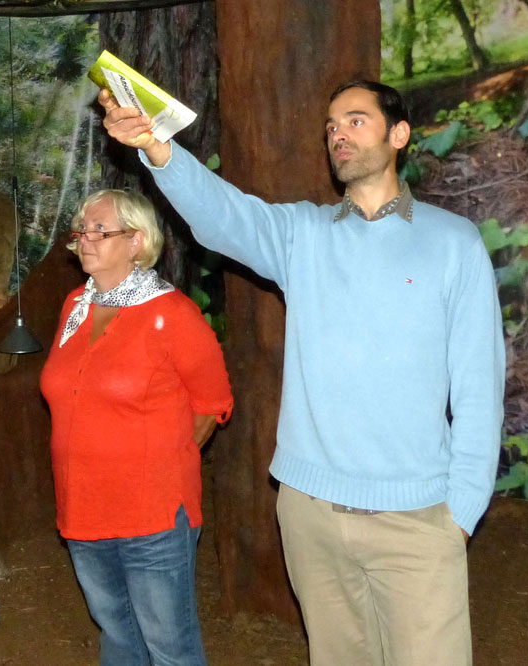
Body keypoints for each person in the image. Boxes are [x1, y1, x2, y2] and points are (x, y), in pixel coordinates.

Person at [100, 80, 505, 666]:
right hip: (310, 511)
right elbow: (223, 216)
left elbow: (479, 389)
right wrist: (159, 148)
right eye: (331, 124)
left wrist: (460, 514)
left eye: (356, 120)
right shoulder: (303, 234)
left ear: (399, 135)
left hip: (417, 517)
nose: (337, 132)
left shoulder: (453, 243)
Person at [40, 190, 233, 666]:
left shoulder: (174, 315)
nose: (85, 238)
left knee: (170, 647)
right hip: (83, 511)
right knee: (119, 636)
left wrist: (161, 465)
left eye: (100, 230)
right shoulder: (75, 306)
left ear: (137, 241)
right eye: (82, 230)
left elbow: (212, 405)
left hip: (152, 517)